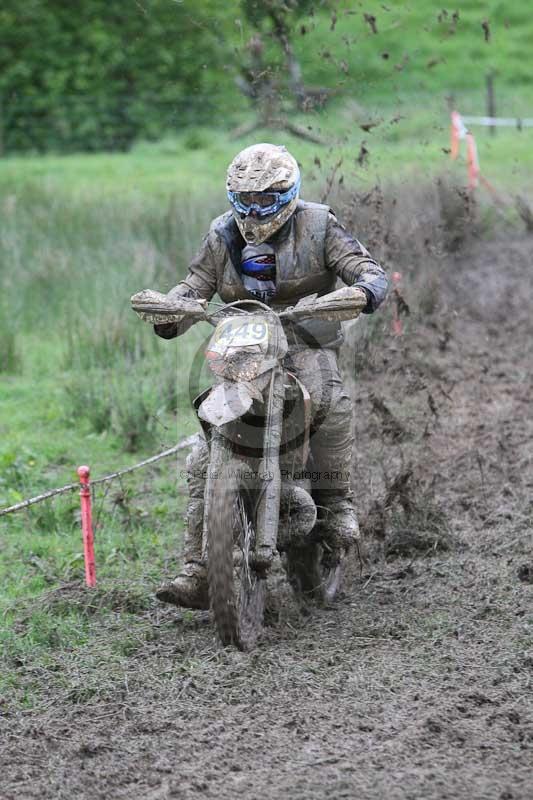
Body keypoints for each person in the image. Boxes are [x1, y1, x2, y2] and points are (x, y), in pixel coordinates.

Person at [154, 143, 388, 609]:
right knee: (203, 454)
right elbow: (195, 284)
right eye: (246, 198)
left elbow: (366, 268)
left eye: (267, 198)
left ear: (289, 193)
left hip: (307, 341)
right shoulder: (221, 234)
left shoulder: (320, 223)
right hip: (244, 348)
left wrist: (363, 289)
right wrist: (173, 305)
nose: (256, 208)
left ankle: (337, 501)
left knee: (328, 399)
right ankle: (198, 569)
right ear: (232, 195)